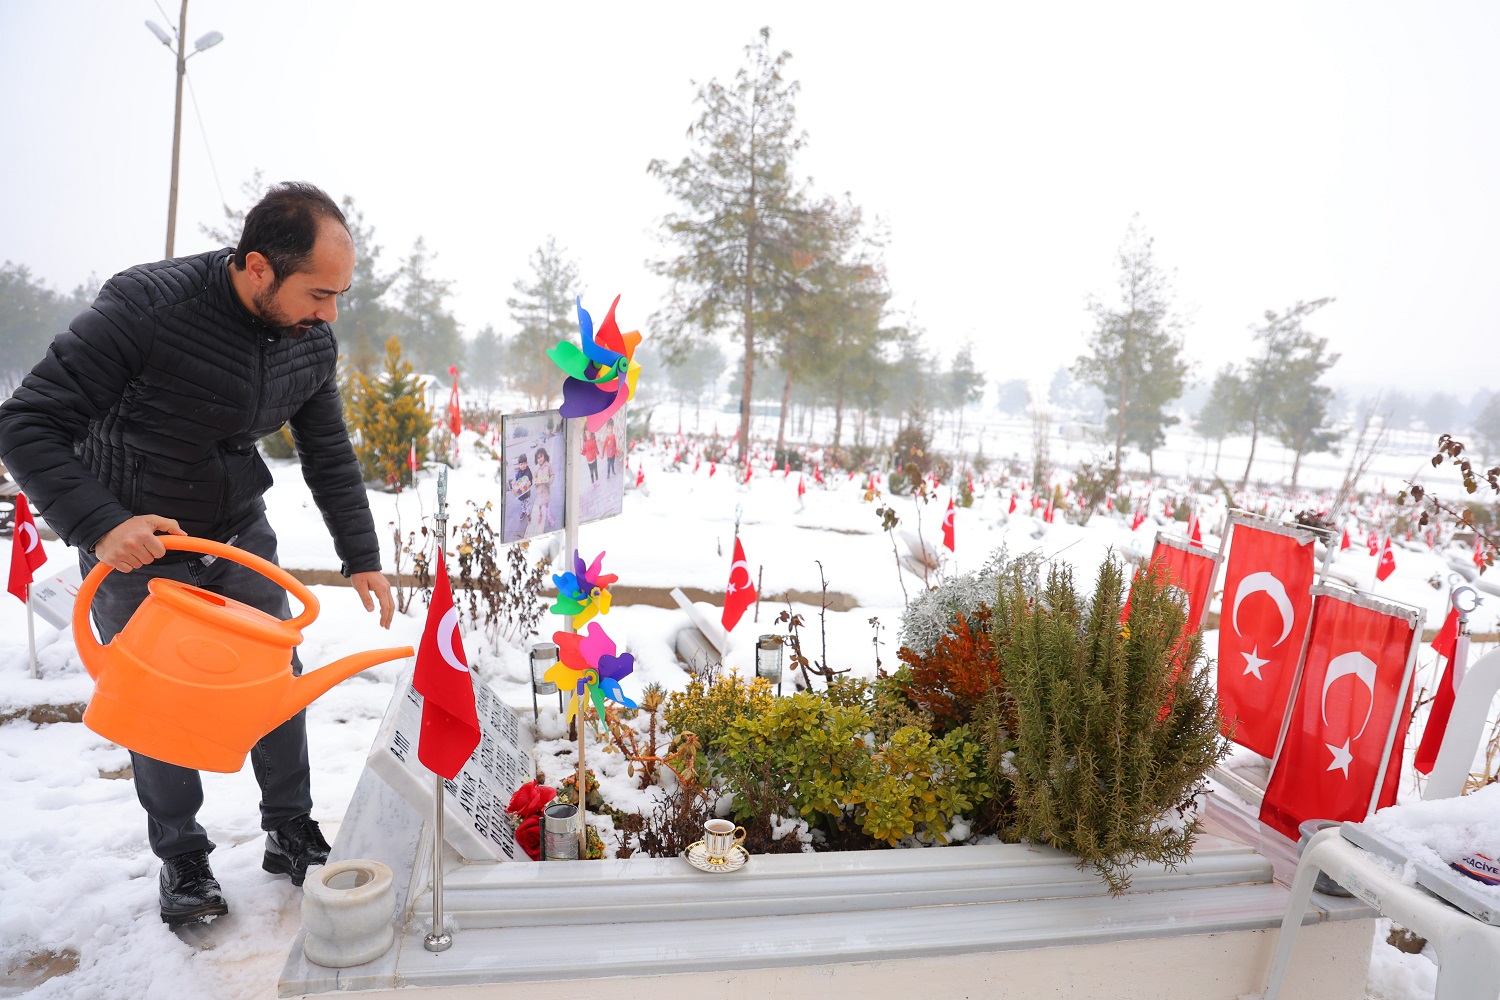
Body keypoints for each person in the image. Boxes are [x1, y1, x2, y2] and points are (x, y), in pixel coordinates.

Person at [0, 182, 395, 927]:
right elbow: (26, 424)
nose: (330, 313)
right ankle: (182, 856)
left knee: (276, 676)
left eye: (340, 294)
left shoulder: (309, 336)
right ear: (257, 268)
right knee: (161, 703)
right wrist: (100, 525)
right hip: (137, 542)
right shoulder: (145, 309)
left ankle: (289, 828)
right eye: (319, 292)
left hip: (236, 530)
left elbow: (328, 449)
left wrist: (361, 553)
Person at [530, 446, 554, 533]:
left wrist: (549, 482)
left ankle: (549, 517)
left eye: (542, 457)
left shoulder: (548, 465)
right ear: (537, 459)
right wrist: (535, 483)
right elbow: (533, 479)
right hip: (539, 491)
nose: (540, 459)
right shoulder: (536, 468)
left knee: (547, 505)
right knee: (539, 505)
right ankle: (540, 514)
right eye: (538, 458)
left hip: (546, 490)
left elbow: (552, 475)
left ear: (545, 456)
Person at [510, 452, 533, 537]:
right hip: (521, 493)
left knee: (527, 503)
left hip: (526, 493)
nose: (523, 466)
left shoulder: (528, 471)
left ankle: (528, 514)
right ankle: (523, 512)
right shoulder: (519, 472)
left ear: (526, 463)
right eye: (521, 464)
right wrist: (513, 483)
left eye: (524, 464)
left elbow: (530, 479)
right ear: (519, 465)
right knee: (522, 503)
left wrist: (529, 483)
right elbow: (515, 480)